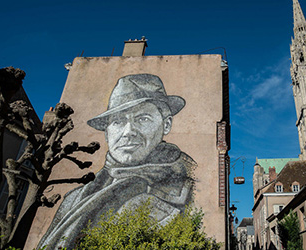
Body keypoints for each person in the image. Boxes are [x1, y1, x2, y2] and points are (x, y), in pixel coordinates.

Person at [38, 74, 196, 249]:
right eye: (118, 121)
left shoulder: (189, 188)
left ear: (166, 125)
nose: (128, 132)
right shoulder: (73, 198)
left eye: (143, 119)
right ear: (106, 132)